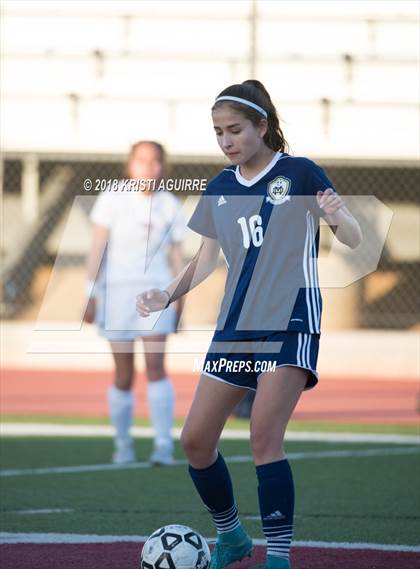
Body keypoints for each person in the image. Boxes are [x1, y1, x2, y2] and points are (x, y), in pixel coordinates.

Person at [136, 80, 362, 569]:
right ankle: (232, 535)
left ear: (262, 126)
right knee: (195, 441)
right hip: (235, 327)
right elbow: (205, 260)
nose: (226, 141)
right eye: (218, 132)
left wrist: (339, 217)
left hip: (290, 323)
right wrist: (165, 293)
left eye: (235, 130)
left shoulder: (300, 173)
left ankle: (277, 556)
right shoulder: (219, 187)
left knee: (264, 436)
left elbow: (354, 238)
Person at [84, 141, 186, 466]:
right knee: (123, 373)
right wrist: (91, 293)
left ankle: (162, 446)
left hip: (155, 297)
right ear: (130, 164)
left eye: (155, 161)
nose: (149, 167)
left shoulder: (170, 204)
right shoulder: (112, 197)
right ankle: (123, 444)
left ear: (163, 167)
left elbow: (177, 258)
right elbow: (97, 247)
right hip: (116, 294)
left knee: (156, 369)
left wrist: (178, 298)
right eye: (142, 160)